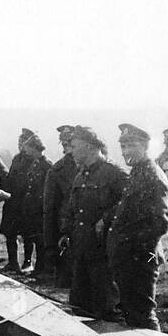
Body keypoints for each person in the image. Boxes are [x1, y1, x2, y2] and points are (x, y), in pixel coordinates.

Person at [61, 126, 127, 320]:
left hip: (103, 251)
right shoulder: (80, 175)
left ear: (90, 147)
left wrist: (106, 219)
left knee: (106, 307)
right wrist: (65, 232)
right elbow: (72, 209)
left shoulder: (115, 174)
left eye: (74, 146)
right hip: (82, 248)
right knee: (79, 306)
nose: (70, 150)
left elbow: (128, 204)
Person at [108, 124, 168, 329]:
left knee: (144, 313)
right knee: (131, 312)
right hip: (129, 257)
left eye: (131, 146)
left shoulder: (152, 175)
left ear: (144, 146)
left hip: (141, 258)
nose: (125, 152)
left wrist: (132, 247)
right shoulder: (137, 172)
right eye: (123, 146)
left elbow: (159, 223)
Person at [42, 125, 79, 285]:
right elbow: (49, 210)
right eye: (65, 144)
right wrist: (50, 245)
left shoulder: (97, 167)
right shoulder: (56, 171)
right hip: (66, 232)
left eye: (71, 143)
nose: (68, 147)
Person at [0, 129, 38, 273]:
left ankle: (27, 262)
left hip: (27, 202)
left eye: (24, 142)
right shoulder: (16, 158)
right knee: (10, 233)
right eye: (19, 142)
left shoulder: (35, 160)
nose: (21, 145)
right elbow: (10, 178)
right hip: (13, 201)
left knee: (28, 234)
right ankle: (13, 262)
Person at [16, 133, 51, 274]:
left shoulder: (47, 165)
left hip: (40, 208)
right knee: (31, 236)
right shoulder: (35, 163)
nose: (26, 151)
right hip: (31, 208)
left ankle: (41, 268)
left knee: (40, 240)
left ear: (35, 148)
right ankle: (36, 267)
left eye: (29, 148)